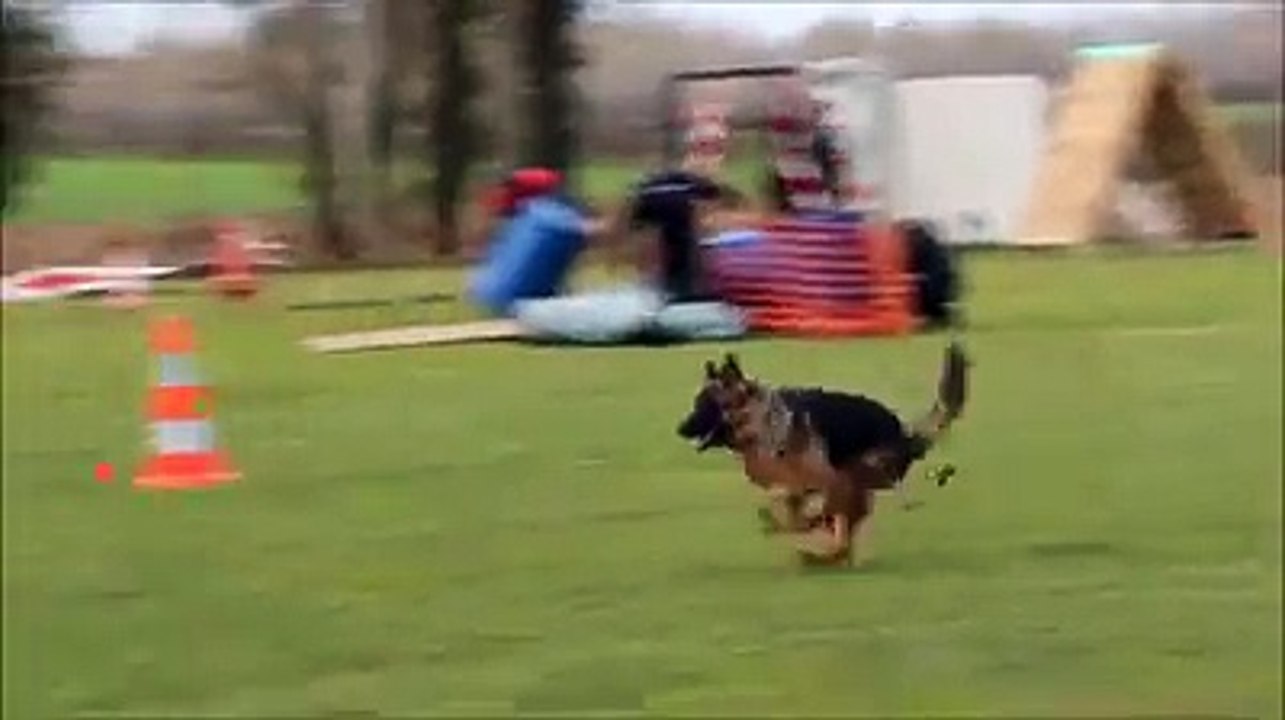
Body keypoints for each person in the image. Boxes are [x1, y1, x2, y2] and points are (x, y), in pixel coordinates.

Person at [614, 158, 743, 302]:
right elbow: (723, 197)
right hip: (671, 206)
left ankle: (658, 281)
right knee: (683, 247)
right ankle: (669, 281)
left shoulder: (656, 187)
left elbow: (629, 228)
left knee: (658, 246)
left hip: (653, 200)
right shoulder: (693, 185)